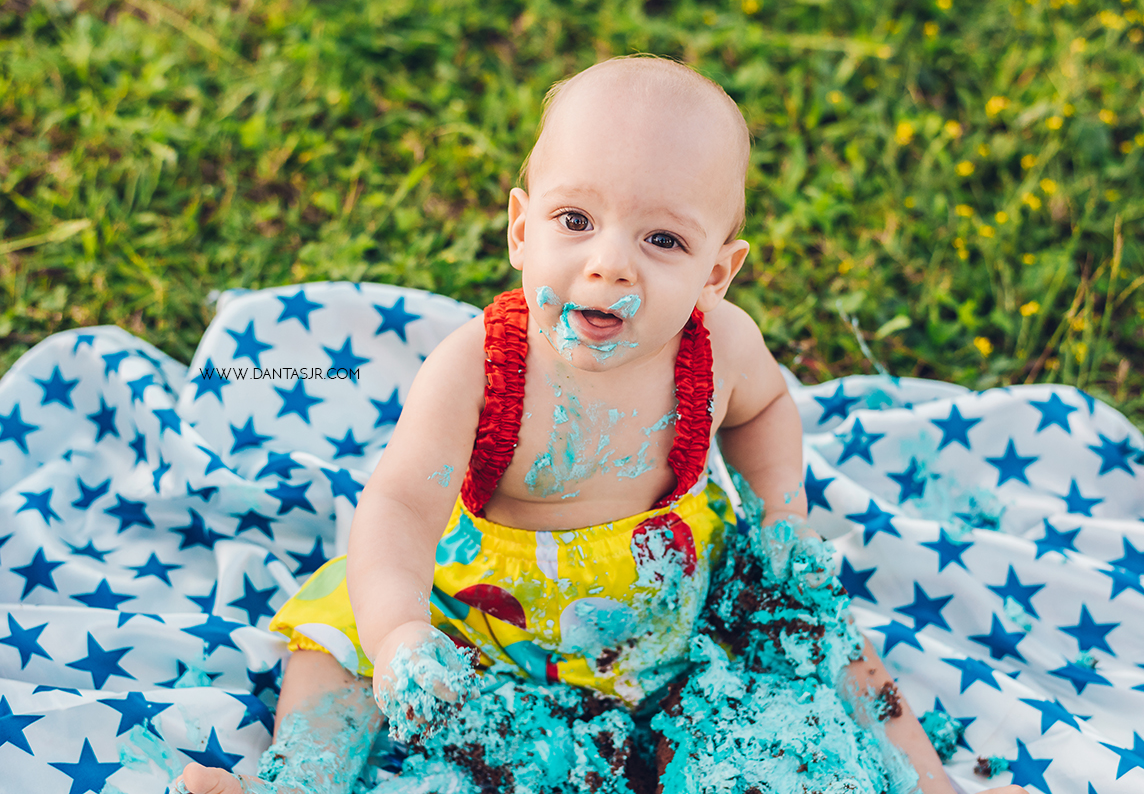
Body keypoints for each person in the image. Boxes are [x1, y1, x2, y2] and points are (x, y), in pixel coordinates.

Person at [177, 56, 1027, 794]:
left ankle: (928, 778)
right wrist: (401, 636)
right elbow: (398, 507)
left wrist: (784, 513)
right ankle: (297, 776)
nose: (608, 260)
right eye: (575, 221)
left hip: (668, 614)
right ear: (521, 228)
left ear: (715, 272)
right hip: (483, 622)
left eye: (661, 238)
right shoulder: (479, 365)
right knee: (334, 646)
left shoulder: (720, 346)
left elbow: (766, 410)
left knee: (822, 633)